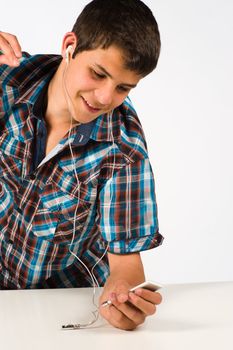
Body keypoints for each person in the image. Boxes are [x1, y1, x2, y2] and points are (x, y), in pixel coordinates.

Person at [0, 0, 164, 330]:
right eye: (98, 74)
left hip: (55, 308)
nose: (104, 98)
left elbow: (126, 265)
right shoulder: (8, 80)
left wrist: (124, 298)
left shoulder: (123, 150)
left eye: (123, 88)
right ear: (70, 46)